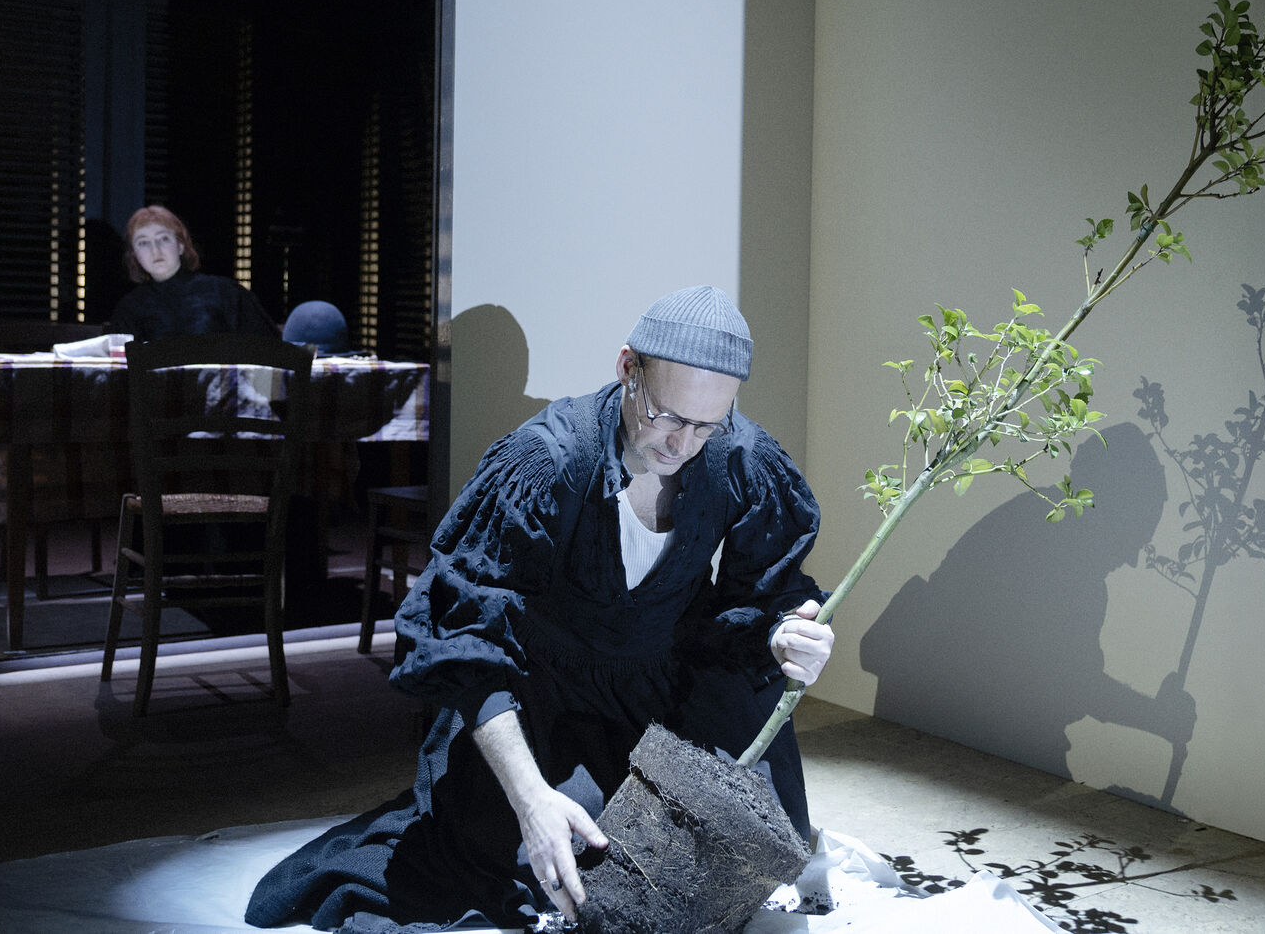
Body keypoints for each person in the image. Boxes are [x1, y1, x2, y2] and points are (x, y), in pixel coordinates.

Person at [246, 285, 835, 932]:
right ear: (627, 368)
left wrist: (786, 633)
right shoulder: (548, 460)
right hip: (546, 698)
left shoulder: (739, 457)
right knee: (548, 860)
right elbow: (465, 636)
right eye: (667, 415)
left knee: (734, 847)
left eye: (706, 424)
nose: (681, 444)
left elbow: (765, 594)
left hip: (663, 691)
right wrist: (531, 801)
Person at [107, 205, 277, 342]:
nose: (155, 250)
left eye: (163, 239)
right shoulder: (128, 308)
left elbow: (268, 348)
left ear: (180, 246)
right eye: (143, 243)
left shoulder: (224, 292)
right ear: (134, 255)